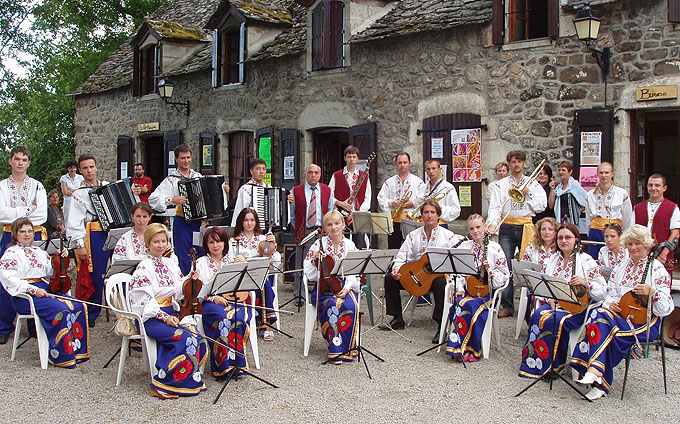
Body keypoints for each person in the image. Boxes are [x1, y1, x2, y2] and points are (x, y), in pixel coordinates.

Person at [569, 225, 673, 400]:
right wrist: (612, 304)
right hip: (619, 317)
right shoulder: (621, 266)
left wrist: (652, 292)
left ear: (646, 245)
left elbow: (666, 308)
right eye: (630, 244)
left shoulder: (656, 269)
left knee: (603, 325)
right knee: (601, 315)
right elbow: (610, 294)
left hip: (645, 322)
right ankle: (597, 374)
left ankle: (597, 375)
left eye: (637, 243)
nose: (633, 248)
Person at [128, 223, 208, 399]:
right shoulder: (143, 268)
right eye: (156, 241)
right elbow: (144, 302)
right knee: (185, 338)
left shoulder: (170, 263)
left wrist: (190, 279)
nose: (161, 245)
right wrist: (164, 317)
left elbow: (178, 290)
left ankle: (184, 381)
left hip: (170, 312)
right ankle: (163, 384)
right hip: (151, 318)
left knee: (198, 338)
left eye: (163, 241)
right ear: (148, 244)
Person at [518, 223, 606, 380]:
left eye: (568, 237)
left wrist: (586, 282)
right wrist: (549, 299)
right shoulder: (551, 259)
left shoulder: (586, 260)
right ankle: (535, 361)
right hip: (554, 305)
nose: (564, 241)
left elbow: (602, 291)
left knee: (554, 319)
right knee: (538, 314)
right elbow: (542, 286)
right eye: (560, 238)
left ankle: (555, 365)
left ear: (576, 240)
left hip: (577, 309)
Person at [0, 217, 89, 365]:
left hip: (45, 289)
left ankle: (76, 351)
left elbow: (49, 272)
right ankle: (61, 356)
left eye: (30, 231)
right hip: (24, 296)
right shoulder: (10, 254)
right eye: (22, 231)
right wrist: (33, 290)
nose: (27, 234)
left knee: (78, 306)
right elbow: (10, 280)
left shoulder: (38, 251)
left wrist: (60, 258)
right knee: (62, 309)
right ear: (15, 234)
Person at [381, 199, 463, 342]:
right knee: (389, 278)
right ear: (421, 215)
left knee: (440, 283)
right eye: (426, 212)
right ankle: (397, 318)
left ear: (438, 216)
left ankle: (440, 325)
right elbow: (401, 256)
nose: (429, 215)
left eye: (432, 212)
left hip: (435, 279)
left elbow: (455, 262)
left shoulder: (449, 236)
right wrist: (396, 270)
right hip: (416, 276)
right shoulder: (413, 235)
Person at [148, 144, 229, 275]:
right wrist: (172, 199)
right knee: (184, 254)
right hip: (182, 222)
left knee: (202, 252)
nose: (186, 161)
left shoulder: (198, 176)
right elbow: (153, 199)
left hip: (199, 222)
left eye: (188, 157)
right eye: (183, 158)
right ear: (176, 159)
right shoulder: (171, 180)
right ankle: (186, 285)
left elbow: (209, 195)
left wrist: (223, 190)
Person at [487, 150, 547, 318]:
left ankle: (530, 305)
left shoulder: (532, 183)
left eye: (520, 161)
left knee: (529, 265)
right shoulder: (501, 184)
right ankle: (507, 305)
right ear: (509, 163)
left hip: (526, 226)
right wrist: (492, 224)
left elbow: (541, 206)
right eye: (514, 161)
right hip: (507, 227)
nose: (517, 165)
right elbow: (495, 206)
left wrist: (528, 194)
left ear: (524, 163)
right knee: (505, 264)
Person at [0, 146, 48, 343]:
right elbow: (1, 215)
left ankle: (33, 324)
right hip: (8, 235)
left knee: (35, 275)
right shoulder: (2, 186)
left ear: (28, 163)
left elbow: (42, 215)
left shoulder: (37, 186)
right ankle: (4, 327)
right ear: (10, 161)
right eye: (17, 159)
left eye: (24, 159)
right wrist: (29, 208)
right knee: (6, 278)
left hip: (33, 234)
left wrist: (14, 212)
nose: (20, 163)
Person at [445, 214, 509, 362]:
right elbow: (457, 272)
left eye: (478, 227)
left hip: (488, 292)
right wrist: (459, 288)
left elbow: (504, 276)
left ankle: (471, 349)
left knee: (470, 304)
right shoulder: (464, 247)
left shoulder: (495, 248)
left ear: (485, 227)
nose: (475, 231)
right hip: (467, 289)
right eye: (472, 228)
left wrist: (490, 271)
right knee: (461, 302)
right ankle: (458, 346)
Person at [303, 210, 360, 363]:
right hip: (324, 288)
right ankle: (335, 349)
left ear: (343, 225)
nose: (334, 227)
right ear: (325, 228)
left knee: (349, 305)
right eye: (329, 224)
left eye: (337, 223)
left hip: (344, 285)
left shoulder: (350, 245)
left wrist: (347, 287)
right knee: (332, 305)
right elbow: (308, 272)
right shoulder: (318, 244)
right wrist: (316, 262)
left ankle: (348, 348)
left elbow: (354, 271)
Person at [196, 226, 252, 378]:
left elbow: (246, 284)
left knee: (238, 318)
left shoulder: (232, 259)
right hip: (211, 303)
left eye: (219, 242)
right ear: (206, 245)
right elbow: (197, 291)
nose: (215, 246)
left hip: (234, 299)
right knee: (223, 320)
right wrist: (213, 297)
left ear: (225, 243)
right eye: (211, 242)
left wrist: (243, 265)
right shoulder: (201, 262)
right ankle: (223, 366)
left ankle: (238, 364)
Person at [65, 153, 112, 328]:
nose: (89, 170)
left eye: (91, 166)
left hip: (113, 231)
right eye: (85, 168)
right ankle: (91, 311)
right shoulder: (78, 194)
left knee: (120, 269)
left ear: (97, 167)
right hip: (94, 234)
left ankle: (122, 308)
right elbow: (74, 222)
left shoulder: (108, 187)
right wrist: (80, 245)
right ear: (80, 171)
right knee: (96, 274)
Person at [227, 208, 281, 340]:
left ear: (256, 222)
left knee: (264, 282)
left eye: (252, 220)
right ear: (241, 222)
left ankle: (268, 326)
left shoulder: (263, 238)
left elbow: (276, 261)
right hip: (242, 277)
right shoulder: (234, 240)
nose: (249, 223)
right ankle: (267, 322)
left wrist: (272, 246)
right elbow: (228, 259)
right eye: (246, 220)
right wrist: (237, 260)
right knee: (264, 283)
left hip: (260, 275)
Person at [288, 164, 334, 307]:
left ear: (320, 175)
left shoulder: (327, 190)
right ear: (305, 174)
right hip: (305, 231)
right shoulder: (296, 191)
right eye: (310, 173)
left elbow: (331, 210)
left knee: (323, 263)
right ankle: (299, 296)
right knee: (301, 264)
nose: (313, 175)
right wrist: (299, 229)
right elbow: (292, 215)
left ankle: (321, 292)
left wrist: (327, 228)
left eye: (316, 173)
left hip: (322, 232)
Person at [633, 173, 680, 274]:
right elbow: (632, 233)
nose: (653, 188)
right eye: (650, 185)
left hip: (663, 256)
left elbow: (675, 233)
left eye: (657, 185)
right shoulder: (637, 208)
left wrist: (663, 253)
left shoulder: (673, 208)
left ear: (664, 188)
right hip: (641, 255)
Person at [377, 152, 425, 249]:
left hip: (411, 220)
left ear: (409, 163)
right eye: (400, 163)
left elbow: (424, 199)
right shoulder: (389, 182)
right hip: (394, 222)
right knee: (393, 249)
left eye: (405, 162)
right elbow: (381, 198)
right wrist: (391, 203)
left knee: (411, 248)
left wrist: (413, 203)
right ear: (396, 164)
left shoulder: (418, 182)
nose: (402, 165)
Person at [585, 162, 633, 258]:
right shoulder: (590, 194)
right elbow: (588, 217)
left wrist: (624, 235)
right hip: (596, 231)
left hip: (614, 232)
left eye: (607, 173)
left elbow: (627, 216)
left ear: (612, 174)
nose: (604, 175)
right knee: (595, 260)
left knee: (615, 259)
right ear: (597, 174)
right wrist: (590, 232)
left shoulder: (622, 193)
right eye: (601, 173)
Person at [328, 146, 372, 249]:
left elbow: (367, 197)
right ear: (345, 158)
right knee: (342, 244)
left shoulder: (364, 176)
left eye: (354, 157)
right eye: (349, 157)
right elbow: (329, 195)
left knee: (360, 244)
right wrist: (340, 203)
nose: (351, 159)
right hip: (341, 215)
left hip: (358, 216)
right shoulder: (336, 175)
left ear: (357, 158)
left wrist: (357, 213)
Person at [521, 217, 559, 320]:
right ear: (539, 231)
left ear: (556, 232)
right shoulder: (531, 248)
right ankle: (535, 324)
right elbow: (523, 268)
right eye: (543, 229)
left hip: (554, 286)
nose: (547, 232)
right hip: (536, 285)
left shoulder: (560, 249)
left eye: (550, 229)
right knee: (533, 296)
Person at [231, 158, 271, 227]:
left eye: (264, 169)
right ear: (251, 171)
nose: (261, 172)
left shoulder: (270, 188)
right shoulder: (245, 189)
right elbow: (239, 210)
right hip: (251, 228)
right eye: (258, 169)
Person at [418, 158, 460, 225]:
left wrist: (437, 207)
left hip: (440, 225)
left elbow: (456, 211)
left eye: (434, 168)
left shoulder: (448, 187)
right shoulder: (423, 187)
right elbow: (418, 206)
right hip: (424, 224)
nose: (431, 171)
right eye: (428, 169)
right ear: (425, 171)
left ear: (440, 170)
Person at [549, 161, 588, 230]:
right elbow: (551, 205)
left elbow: (586, 200)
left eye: (563, 170)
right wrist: (552, 189)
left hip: (572, 221)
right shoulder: (558, 187)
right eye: (559, 170)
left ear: (570, 172)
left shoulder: (575, 185)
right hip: (560, 220)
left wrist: (578, 211)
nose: (560, 172)